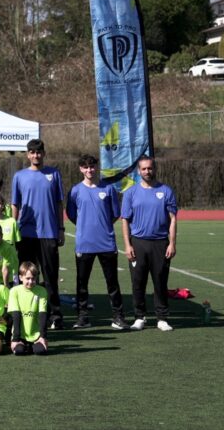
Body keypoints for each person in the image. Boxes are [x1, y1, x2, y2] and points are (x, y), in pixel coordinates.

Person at [66, 154, 129, 330]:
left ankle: (118, 317)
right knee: (82, 284)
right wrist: (85, 226)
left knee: (112, 283)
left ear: (97, 167)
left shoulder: (108, 189)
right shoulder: (75, 191)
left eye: (92, 166)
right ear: (81, 169)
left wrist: (102, 226)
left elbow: (115, 214)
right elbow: (72, 214)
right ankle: (83, 317)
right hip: (84, 244)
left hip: (106, 243)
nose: (89, 170)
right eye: (86, 167)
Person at [11, 138, 65, 329]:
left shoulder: (54, 174)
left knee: (50, 277)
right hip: (26, 233)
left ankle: (54, 315)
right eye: (32, 152)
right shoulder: (19, 176)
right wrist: (13, 230)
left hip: (49, 233)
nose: (36, 155)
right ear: (28, 155)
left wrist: (61, 229)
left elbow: (59, 203)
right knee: (25, 276)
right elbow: (15, 204)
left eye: (39, 152)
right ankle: (26, 314)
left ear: (44, 153)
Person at [121, 155, 178, 332]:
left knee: (160, 281)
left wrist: (172, 243)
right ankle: (139, 317)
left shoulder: (166, 191)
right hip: (138, 243)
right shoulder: (130, 192)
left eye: (150, 168)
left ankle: (162, 318)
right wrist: (127, 245)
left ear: (155, 169)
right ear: (139, 171)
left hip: (160, 243)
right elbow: (125, 220)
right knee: (138, 282)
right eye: (144, 169)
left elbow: (173, 219)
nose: (147, 171)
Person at [9, 262, 49, 356]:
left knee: (40, 351)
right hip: (20, 335)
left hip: (36, 336)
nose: (30, 281)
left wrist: (42, 337)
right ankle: (24, 345)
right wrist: (15, 339)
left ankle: (32, 346)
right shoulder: (14, 291)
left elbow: (42, 315)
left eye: (33, 278)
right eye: (27, 278)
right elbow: (16, 315)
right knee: (19, 351)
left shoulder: (42, 291)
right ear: (20, 277)